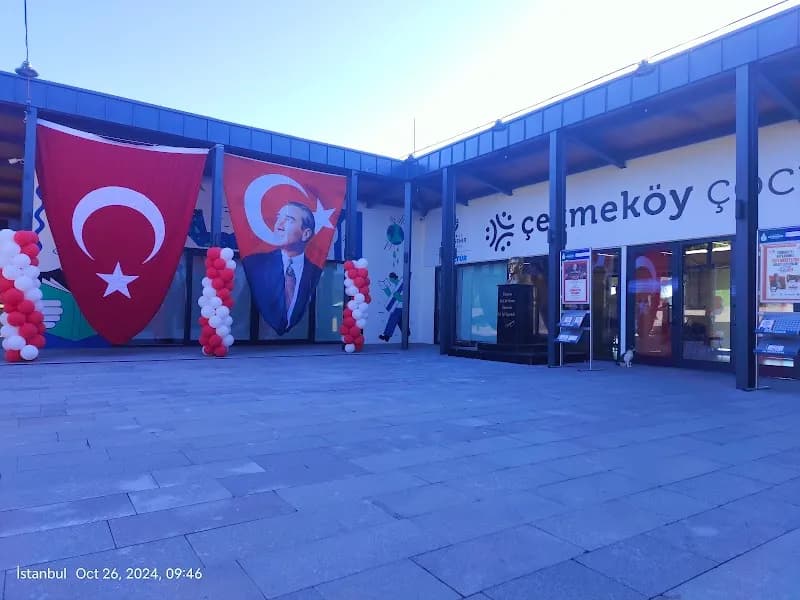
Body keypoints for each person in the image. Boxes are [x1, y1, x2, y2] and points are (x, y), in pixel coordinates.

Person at [242, 201, 321, 335]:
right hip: (256, 339)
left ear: (306, 234)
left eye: (289, 220)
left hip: (299, 341)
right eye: (278, 218)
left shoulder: (315, 272)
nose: (279, 225)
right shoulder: (254, 264)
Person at [378, 272, 408, 341]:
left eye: (390, 279)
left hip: (399, 307)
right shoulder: (396, 285)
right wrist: (386, 289)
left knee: (392, 320)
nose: (390, 281)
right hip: (397, 307)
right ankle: (407, 332)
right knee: (400, 322)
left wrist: (397, 296)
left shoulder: (401, 285)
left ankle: (387, 336)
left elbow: (403, 298)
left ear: (393, 278)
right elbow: (391, 297)